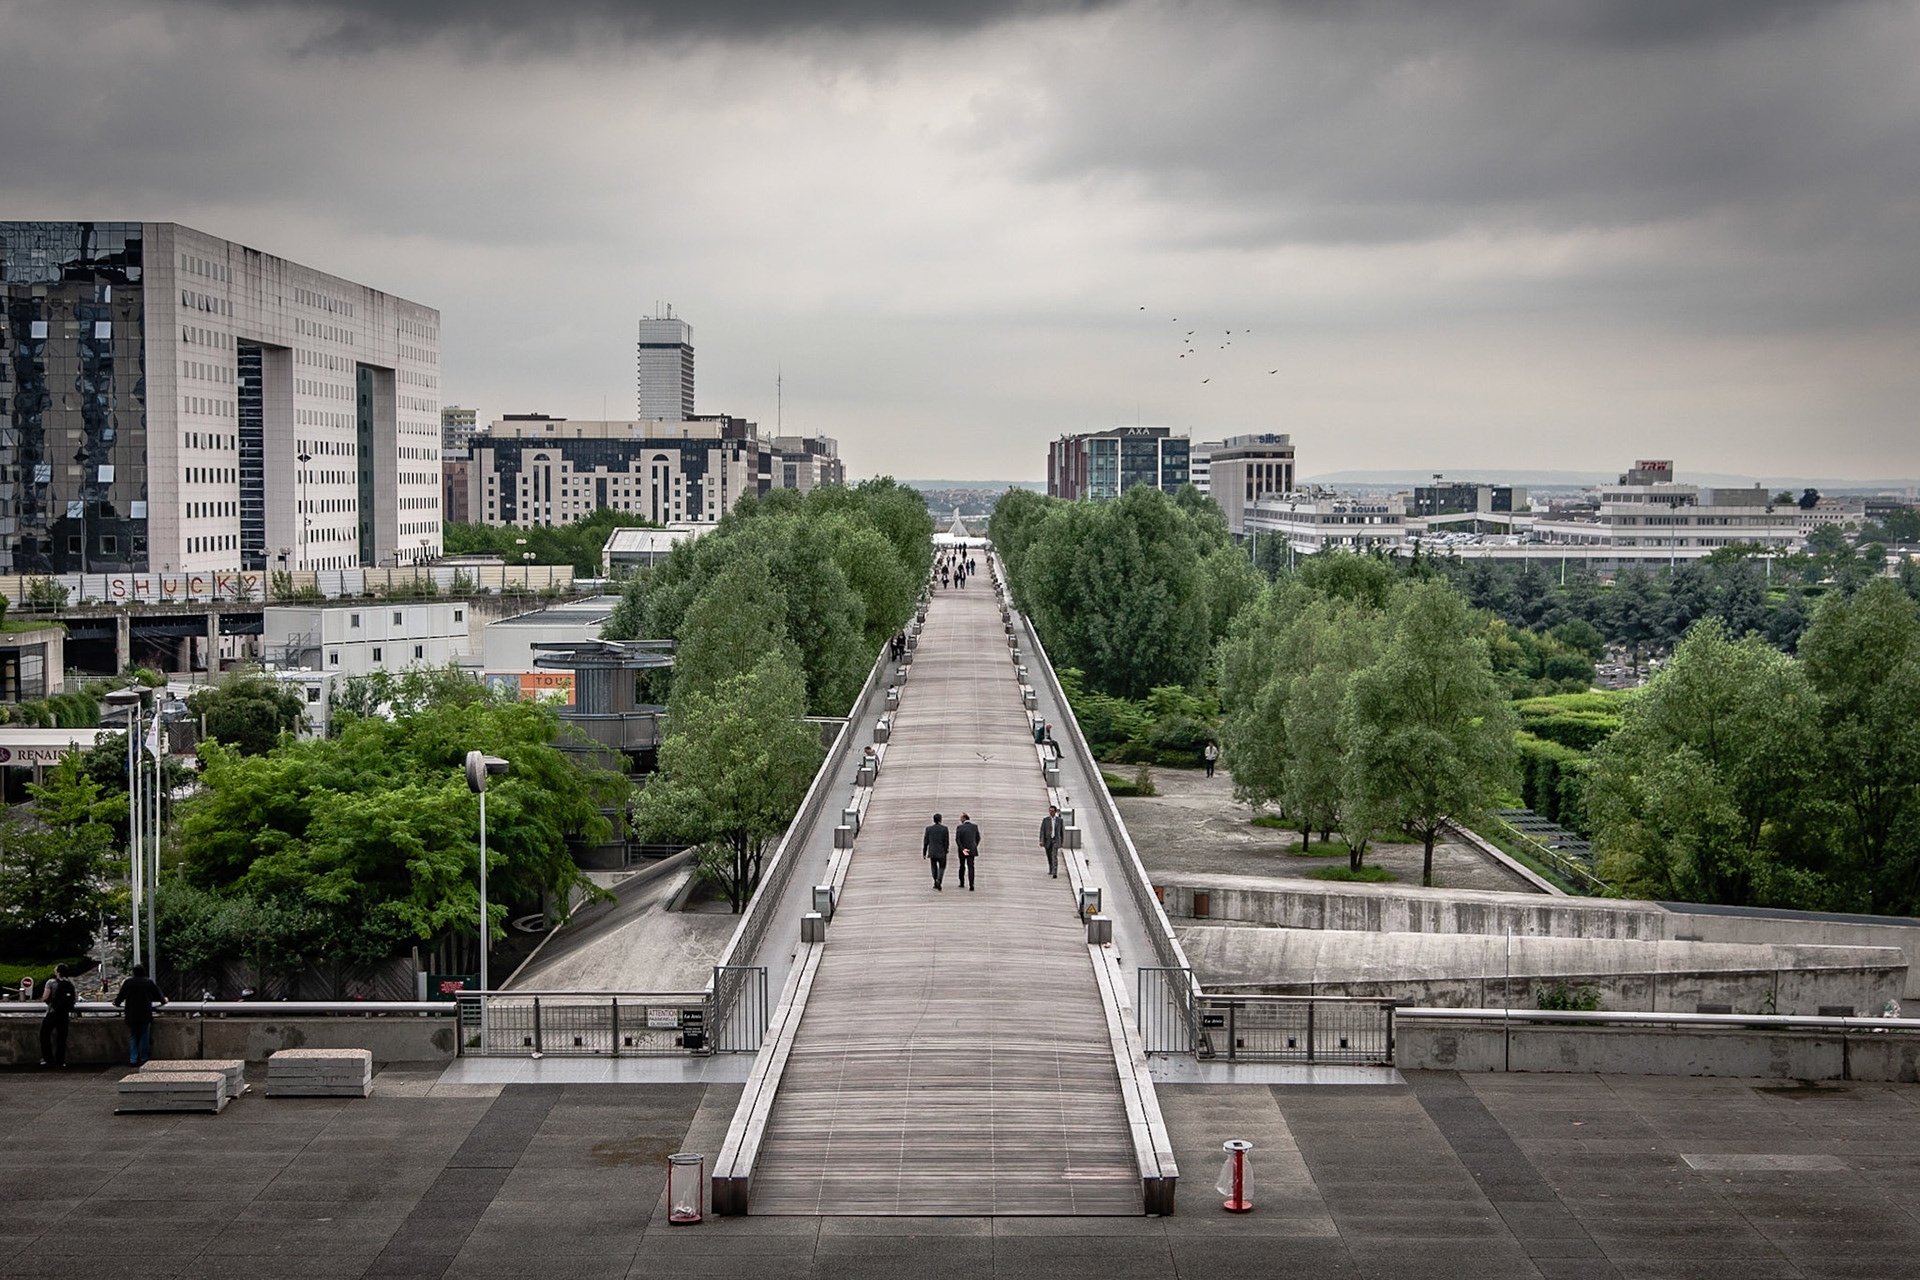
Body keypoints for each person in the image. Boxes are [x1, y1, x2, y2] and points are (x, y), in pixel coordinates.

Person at [112, 963, 167, 1067]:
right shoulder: (148, 982)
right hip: (145, 1014)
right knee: (144, 1037)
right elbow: (159, 996)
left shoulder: (128, 983)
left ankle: (133, 1059)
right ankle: (143, 1059)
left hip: (131, 1014)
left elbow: (120, 998)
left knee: (133, 1036)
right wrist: (164, 1000)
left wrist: (116, 1002)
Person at [39, 964, 76, 1069]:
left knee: (44, 1034)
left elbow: (45, 997)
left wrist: (50, 1002)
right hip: (64, 1014)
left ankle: (48, 1059)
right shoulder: (70, 983)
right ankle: (60, 1061)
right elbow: (74, 999)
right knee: (61, 1038)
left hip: (52, 1012)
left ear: (58, 972)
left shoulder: (51, 982)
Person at [923, 812, 950, 891]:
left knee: (933, 867)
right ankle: (939, 879)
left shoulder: (928, 829)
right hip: (942, 851)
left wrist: (924, 852)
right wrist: (946, 849)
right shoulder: (944, 829)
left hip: (932, 851)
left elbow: (926, 841)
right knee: (942, 867)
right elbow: (946, 841)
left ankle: (935, 881)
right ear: (940, 820)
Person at [955, 813, 981, 891]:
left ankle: (962, 882)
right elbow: (978, 838)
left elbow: (957, 840)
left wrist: (963, 849)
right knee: (971, 867)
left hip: (962, 850)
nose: (960, 819)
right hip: (971, 849)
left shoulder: (959, 827)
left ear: (964, 818)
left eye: (961, 818)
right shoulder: (974, 827)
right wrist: (974, 846)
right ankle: (971, 884)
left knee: (962, 865)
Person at [1039, 805, 1065, 879]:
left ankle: (1054, 872)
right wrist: (1041, 840)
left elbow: (1061, 832)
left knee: (1054, 856)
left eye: (1052, 811)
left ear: (1055, 812)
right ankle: (1051, 867)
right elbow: (1042, 831)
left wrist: (1062, 842)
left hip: (1055, 840)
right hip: (1048, 840)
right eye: (1050, 811)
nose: (1051, 812)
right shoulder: (1045, 820)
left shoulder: (1060, 820)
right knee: (1049, 855)